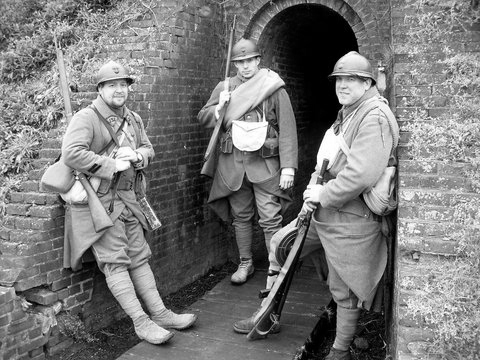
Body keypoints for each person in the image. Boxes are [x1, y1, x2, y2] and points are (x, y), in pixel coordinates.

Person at [233, 51, 399, 360]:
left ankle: (340, 350)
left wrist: (322, 195)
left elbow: (361, 173)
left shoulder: (373, 115)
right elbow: (330, 160)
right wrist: (314, 189)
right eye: (339, 80)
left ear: (367, 83)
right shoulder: (349, 111)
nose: (343, 85)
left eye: (352, 79)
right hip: (324, 210)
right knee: (282, 245)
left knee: (344, 284)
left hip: (352, 214)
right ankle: (267, 315)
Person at [61, 60, 197, 345]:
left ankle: (160, 313)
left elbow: (148, 148)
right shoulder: (86, 118)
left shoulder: (133, 118)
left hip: (130, 200)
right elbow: (71, 154)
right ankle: (141, 322)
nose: (119, 90)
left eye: (123, 84)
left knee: (139, 256)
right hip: (99, 203)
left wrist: (138, 156)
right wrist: (111, 164)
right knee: (115, 263)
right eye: (112, 85)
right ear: (100, 89)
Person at [198, 38, 298, 285]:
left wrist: (288, 168)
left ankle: (275, 270)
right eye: (240, 62)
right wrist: (218, 109)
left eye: (249, 61)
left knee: (270, 217)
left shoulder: (273, 87)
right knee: (240, 216)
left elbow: (287, 130)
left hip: (265, 165)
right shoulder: (225, 87)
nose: (245, 67)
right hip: (232, 164)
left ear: (257, 60)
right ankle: (246, 263)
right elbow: (203, 117)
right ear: (235, 65)